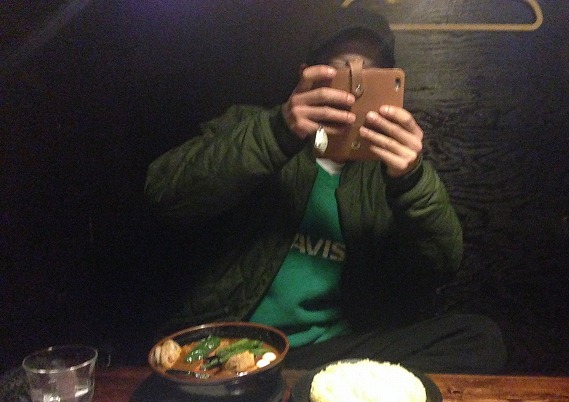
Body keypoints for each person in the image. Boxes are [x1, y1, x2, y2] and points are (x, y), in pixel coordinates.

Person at [144, 6, 507, 374]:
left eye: (371, 73)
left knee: (480, 338)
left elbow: (441, 265)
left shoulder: (386, 170)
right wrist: (279, 131)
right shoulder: (252, 126)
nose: (355, 86)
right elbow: (163, 193)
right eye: (343, 69)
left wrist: (411, 179)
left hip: (333, 355)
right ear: (308, 75)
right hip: (235, 348)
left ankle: (323, 388)